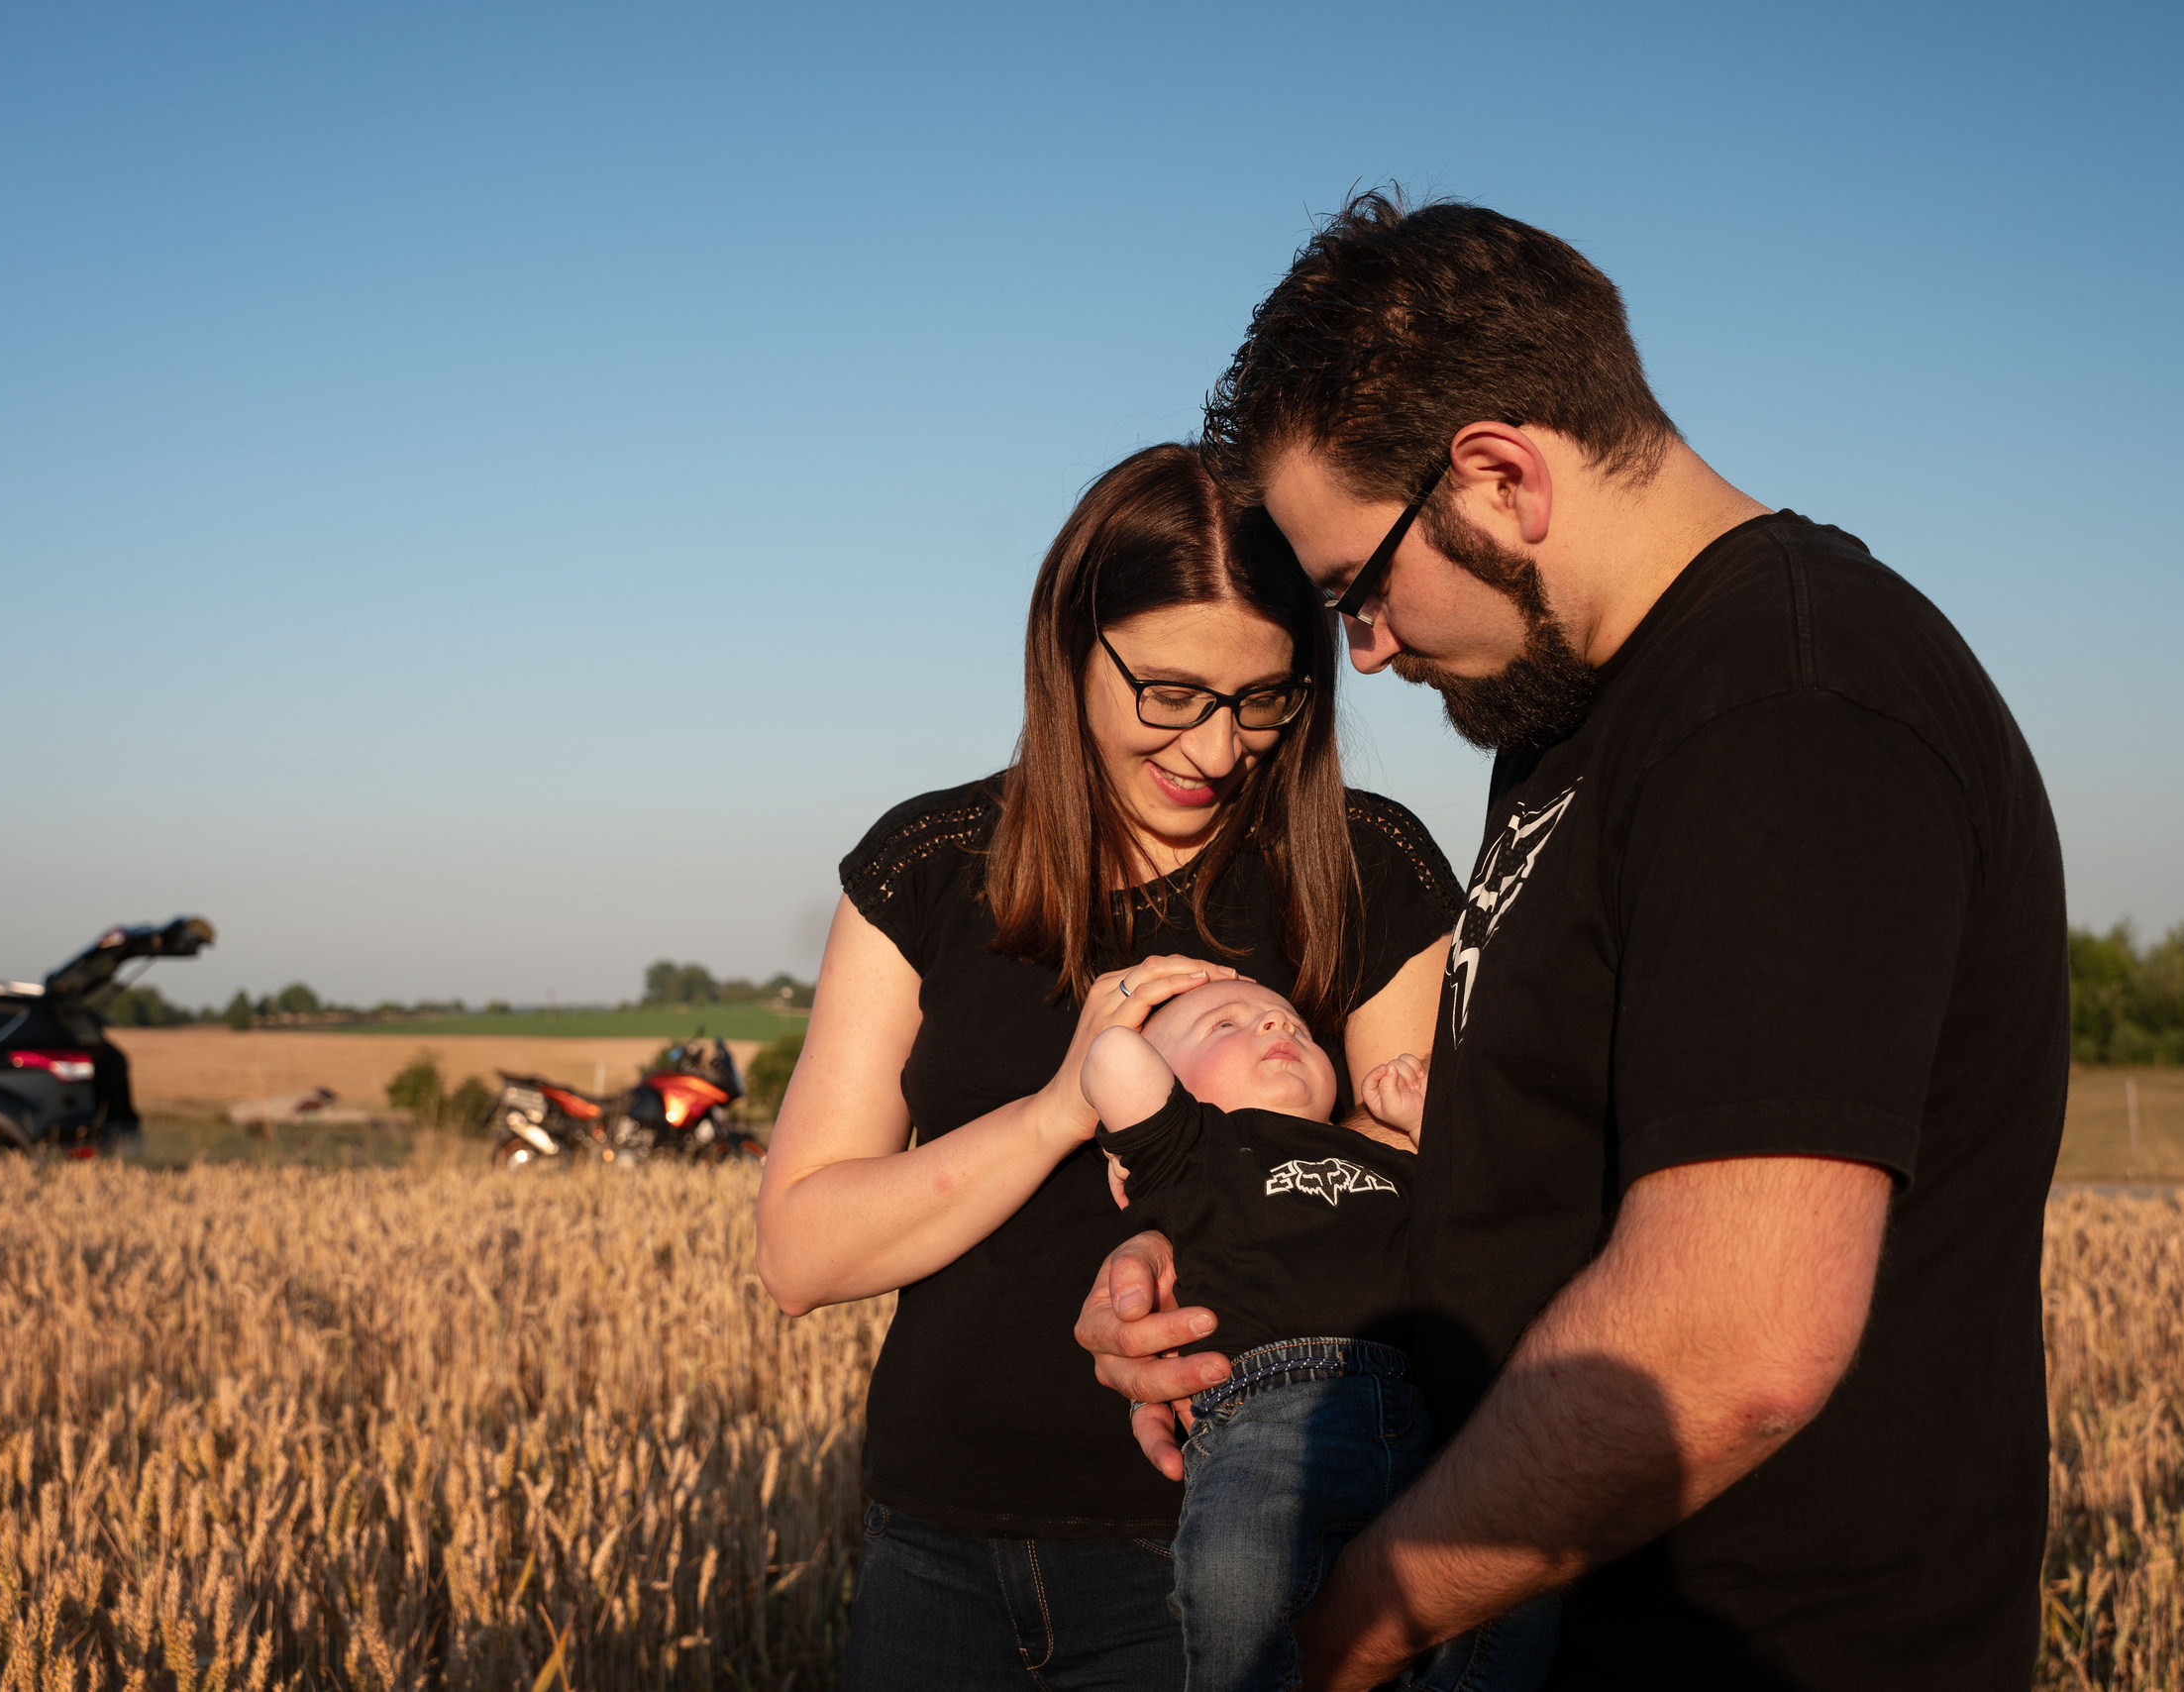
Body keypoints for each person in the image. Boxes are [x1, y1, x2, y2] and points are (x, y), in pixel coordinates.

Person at [1078, 193, 2070, 1691]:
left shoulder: (1788, 709)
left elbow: (1732, 1336)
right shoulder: (1580, 714)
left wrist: (1356, 1629)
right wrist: (1233, 1265)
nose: (1369, 649)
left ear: (1497, 477)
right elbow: (1534, 1191)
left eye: (1360, 589)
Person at [755, 442, 1465, 1690]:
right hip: (935, 1551)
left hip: (1228, 1555)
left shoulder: (1369, 866)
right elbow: (802, 1251)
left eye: (1264, 699)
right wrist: (1058, 1109)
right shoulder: (925, 866)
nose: (1217, 748)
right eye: (1172, 693)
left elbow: (1429, 1203)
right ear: (1069, 643)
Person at [1085, 977, 1556, 1692]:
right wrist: (1130, 1056)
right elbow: (1114, 1058)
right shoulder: (1198, 1152)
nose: (1277, 1023)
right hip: (1272, 1417)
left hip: (1422, 1413)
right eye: (1225, 1025)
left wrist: (1431, 1123)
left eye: (1295, 1026)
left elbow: (1479, 1212)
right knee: (1234, 1573)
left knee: (1520, 1580)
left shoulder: (1391, 1155)